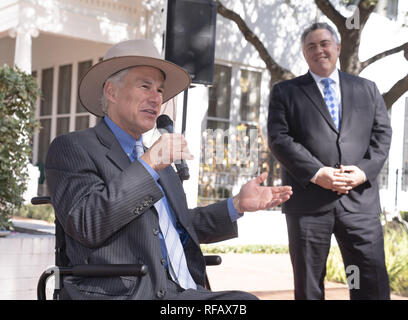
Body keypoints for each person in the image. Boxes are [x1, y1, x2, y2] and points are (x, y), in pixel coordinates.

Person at [45, 39, 293, 300]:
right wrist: (149, 164)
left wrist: (237, 205)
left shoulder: (157, 160)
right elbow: (88, 222)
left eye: (160, 90)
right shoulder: (74, 147)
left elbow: (178, 226)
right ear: (111, 91)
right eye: (145, 86)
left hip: (184, 292)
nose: (156, 98)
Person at [267, 22, 392, 300]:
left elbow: (382, 135)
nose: (318, 50)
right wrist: (317, 172)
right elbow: (279, 138)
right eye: (311, 46)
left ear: (337, 47)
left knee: (369, 283)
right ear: (304, 53)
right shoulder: (285, 92)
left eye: (324, 43)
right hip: (309, 204)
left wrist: (363, 171)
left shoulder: (367, 89)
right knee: (309, 286)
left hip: (360, 202)